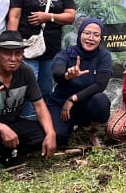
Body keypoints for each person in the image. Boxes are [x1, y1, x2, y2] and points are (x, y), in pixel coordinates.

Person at [0, 31, 57, 165]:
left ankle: (9, 152)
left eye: (18, 54)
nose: (13, 58)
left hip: (14, 123)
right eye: (7, 53)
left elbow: (39, 106)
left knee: (46, 133)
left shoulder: (25, 72)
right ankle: (2, 154)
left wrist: (51, 134)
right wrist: (2, 128)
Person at [7, 0, 76, 97]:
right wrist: (12, 46)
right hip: (26, 48)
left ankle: (41, 120)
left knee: (45, 90)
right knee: (26, 89)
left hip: (51, 49)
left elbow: (70, 16)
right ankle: (27, 119)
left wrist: (49, 17)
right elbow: (14, 16)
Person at [47, 19, 113, 149]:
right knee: (59, 138)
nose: (91, 38)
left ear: (101, 38)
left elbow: (100, 85)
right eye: (87, 33)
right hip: (61, 104)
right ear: (80, 34)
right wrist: (67, 75)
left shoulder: (104, 56)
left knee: (100, 100)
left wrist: (73, 99)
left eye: (96, 35)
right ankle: (67, 127)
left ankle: (96, 134)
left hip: (85, 104)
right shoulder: (67, 54)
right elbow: (57, 71)